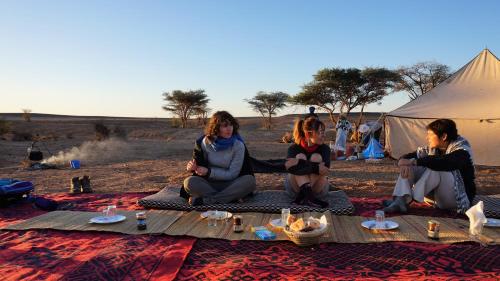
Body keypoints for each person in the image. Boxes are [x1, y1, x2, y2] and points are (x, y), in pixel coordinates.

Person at [384, 119, 475, 214]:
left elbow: (446, 162)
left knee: (437, 168)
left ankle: (408, 199)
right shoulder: (435, 148)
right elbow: (408, 156)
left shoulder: (462, 148)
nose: (427, 138)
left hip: (457, 200)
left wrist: (413, 161)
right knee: (410, 166)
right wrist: (403, 163)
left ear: (444, 136)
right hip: (435, 198)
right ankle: (400, 200)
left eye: (430, 135)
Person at [183, 111, 256, 206]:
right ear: (216, 128)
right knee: (189, 182)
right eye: (224, 126)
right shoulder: (204, 143)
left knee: (249, 181)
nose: (229, 129)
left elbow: (232, 174)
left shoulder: (238, 145)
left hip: (231, 184)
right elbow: (196, 166)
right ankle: (229, 198)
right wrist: (190, 167)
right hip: (209, 184)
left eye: (231, 125)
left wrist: (209, 172)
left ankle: (208, 201)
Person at [284, 115, 331, 207]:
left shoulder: (324, 148)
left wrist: (303, 165)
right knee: (300, 157)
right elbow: (289, 167)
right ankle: (309, 197)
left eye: (323, 132)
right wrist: (315, 167)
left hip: (318, 190)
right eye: (320, 132)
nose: (324, 135)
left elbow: (325, 170)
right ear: (308, 134)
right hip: (295, 189)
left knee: (316, 157)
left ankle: (305, 197)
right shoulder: (294, 148)